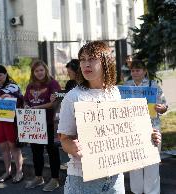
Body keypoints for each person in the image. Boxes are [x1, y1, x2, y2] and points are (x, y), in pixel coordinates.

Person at [57, 41, 162, 194]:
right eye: (82, 59)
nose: (86, 64)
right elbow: (64, 139)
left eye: (92, 59)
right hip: (83, 180)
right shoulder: (73, 97)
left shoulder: (115, 92)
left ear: (105, 62)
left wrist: (148, 136)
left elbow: (125, 130)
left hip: (115, 178)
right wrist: (72, 147)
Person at [124, 59, 168, 194]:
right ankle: (137, 190)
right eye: (132, 70)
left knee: (152, 160)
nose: (135, 73)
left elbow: (164, 105)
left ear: (144, 71)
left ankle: (152, 191)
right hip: (132, 128)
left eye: (138, 70)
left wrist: (162, 108)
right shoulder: (126, 86)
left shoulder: (153, 85)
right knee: (135, 160)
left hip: (152, 128)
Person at [24, 60, 61, 192]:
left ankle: (55, 179)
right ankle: (38, 177)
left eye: (41, 70)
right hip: (35, 124)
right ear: (33, 72)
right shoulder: (30, 86)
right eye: (36, 71)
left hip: (50, 123)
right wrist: (27, 106)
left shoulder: (52, 83)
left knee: (52, 152)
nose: (39, 73)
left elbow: (55, 102)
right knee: (36, 152)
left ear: (45, 70)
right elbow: (26, 100)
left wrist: (37, 107)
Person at [0, 65, 24, 184]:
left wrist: (11, 97)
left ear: (5, 74)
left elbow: (21, 100)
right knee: (3, 147)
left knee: (13, 147)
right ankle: (8, 171)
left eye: (0, 75)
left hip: (10, 121)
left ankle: (19, 172)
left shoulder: (13, 87)